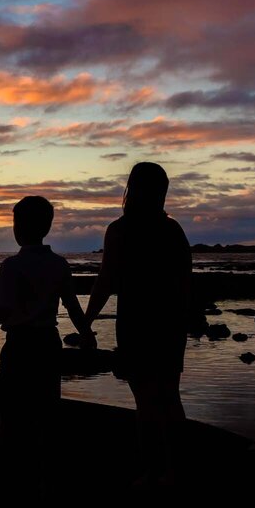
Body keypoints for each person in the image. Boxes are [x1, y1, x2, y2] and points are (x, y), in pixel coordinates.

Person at [0, 196, 95, 501]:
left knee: (10, 417)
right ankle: (46, 481)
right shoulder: (58, 264)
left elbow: (2, 312)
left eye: (16, 221)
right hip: (48, 343)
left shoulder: (12, 266)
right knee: (46, 415)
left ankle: (3, 483)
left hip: (19, 345)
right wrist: (87, 334)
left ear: (21, 227)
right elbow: (72, 306)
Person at [84, 162, 192, 487]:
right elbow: (185, 280)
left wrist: (85, 320)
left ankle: (153, 470)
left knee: (145, 400)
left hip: (136, 321)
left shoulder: (120, 230)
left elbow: (106, 280)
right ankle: (174, 469)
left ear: (131, 189)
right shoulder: (172, 230)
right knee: (169, 397)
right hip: (170, 323)